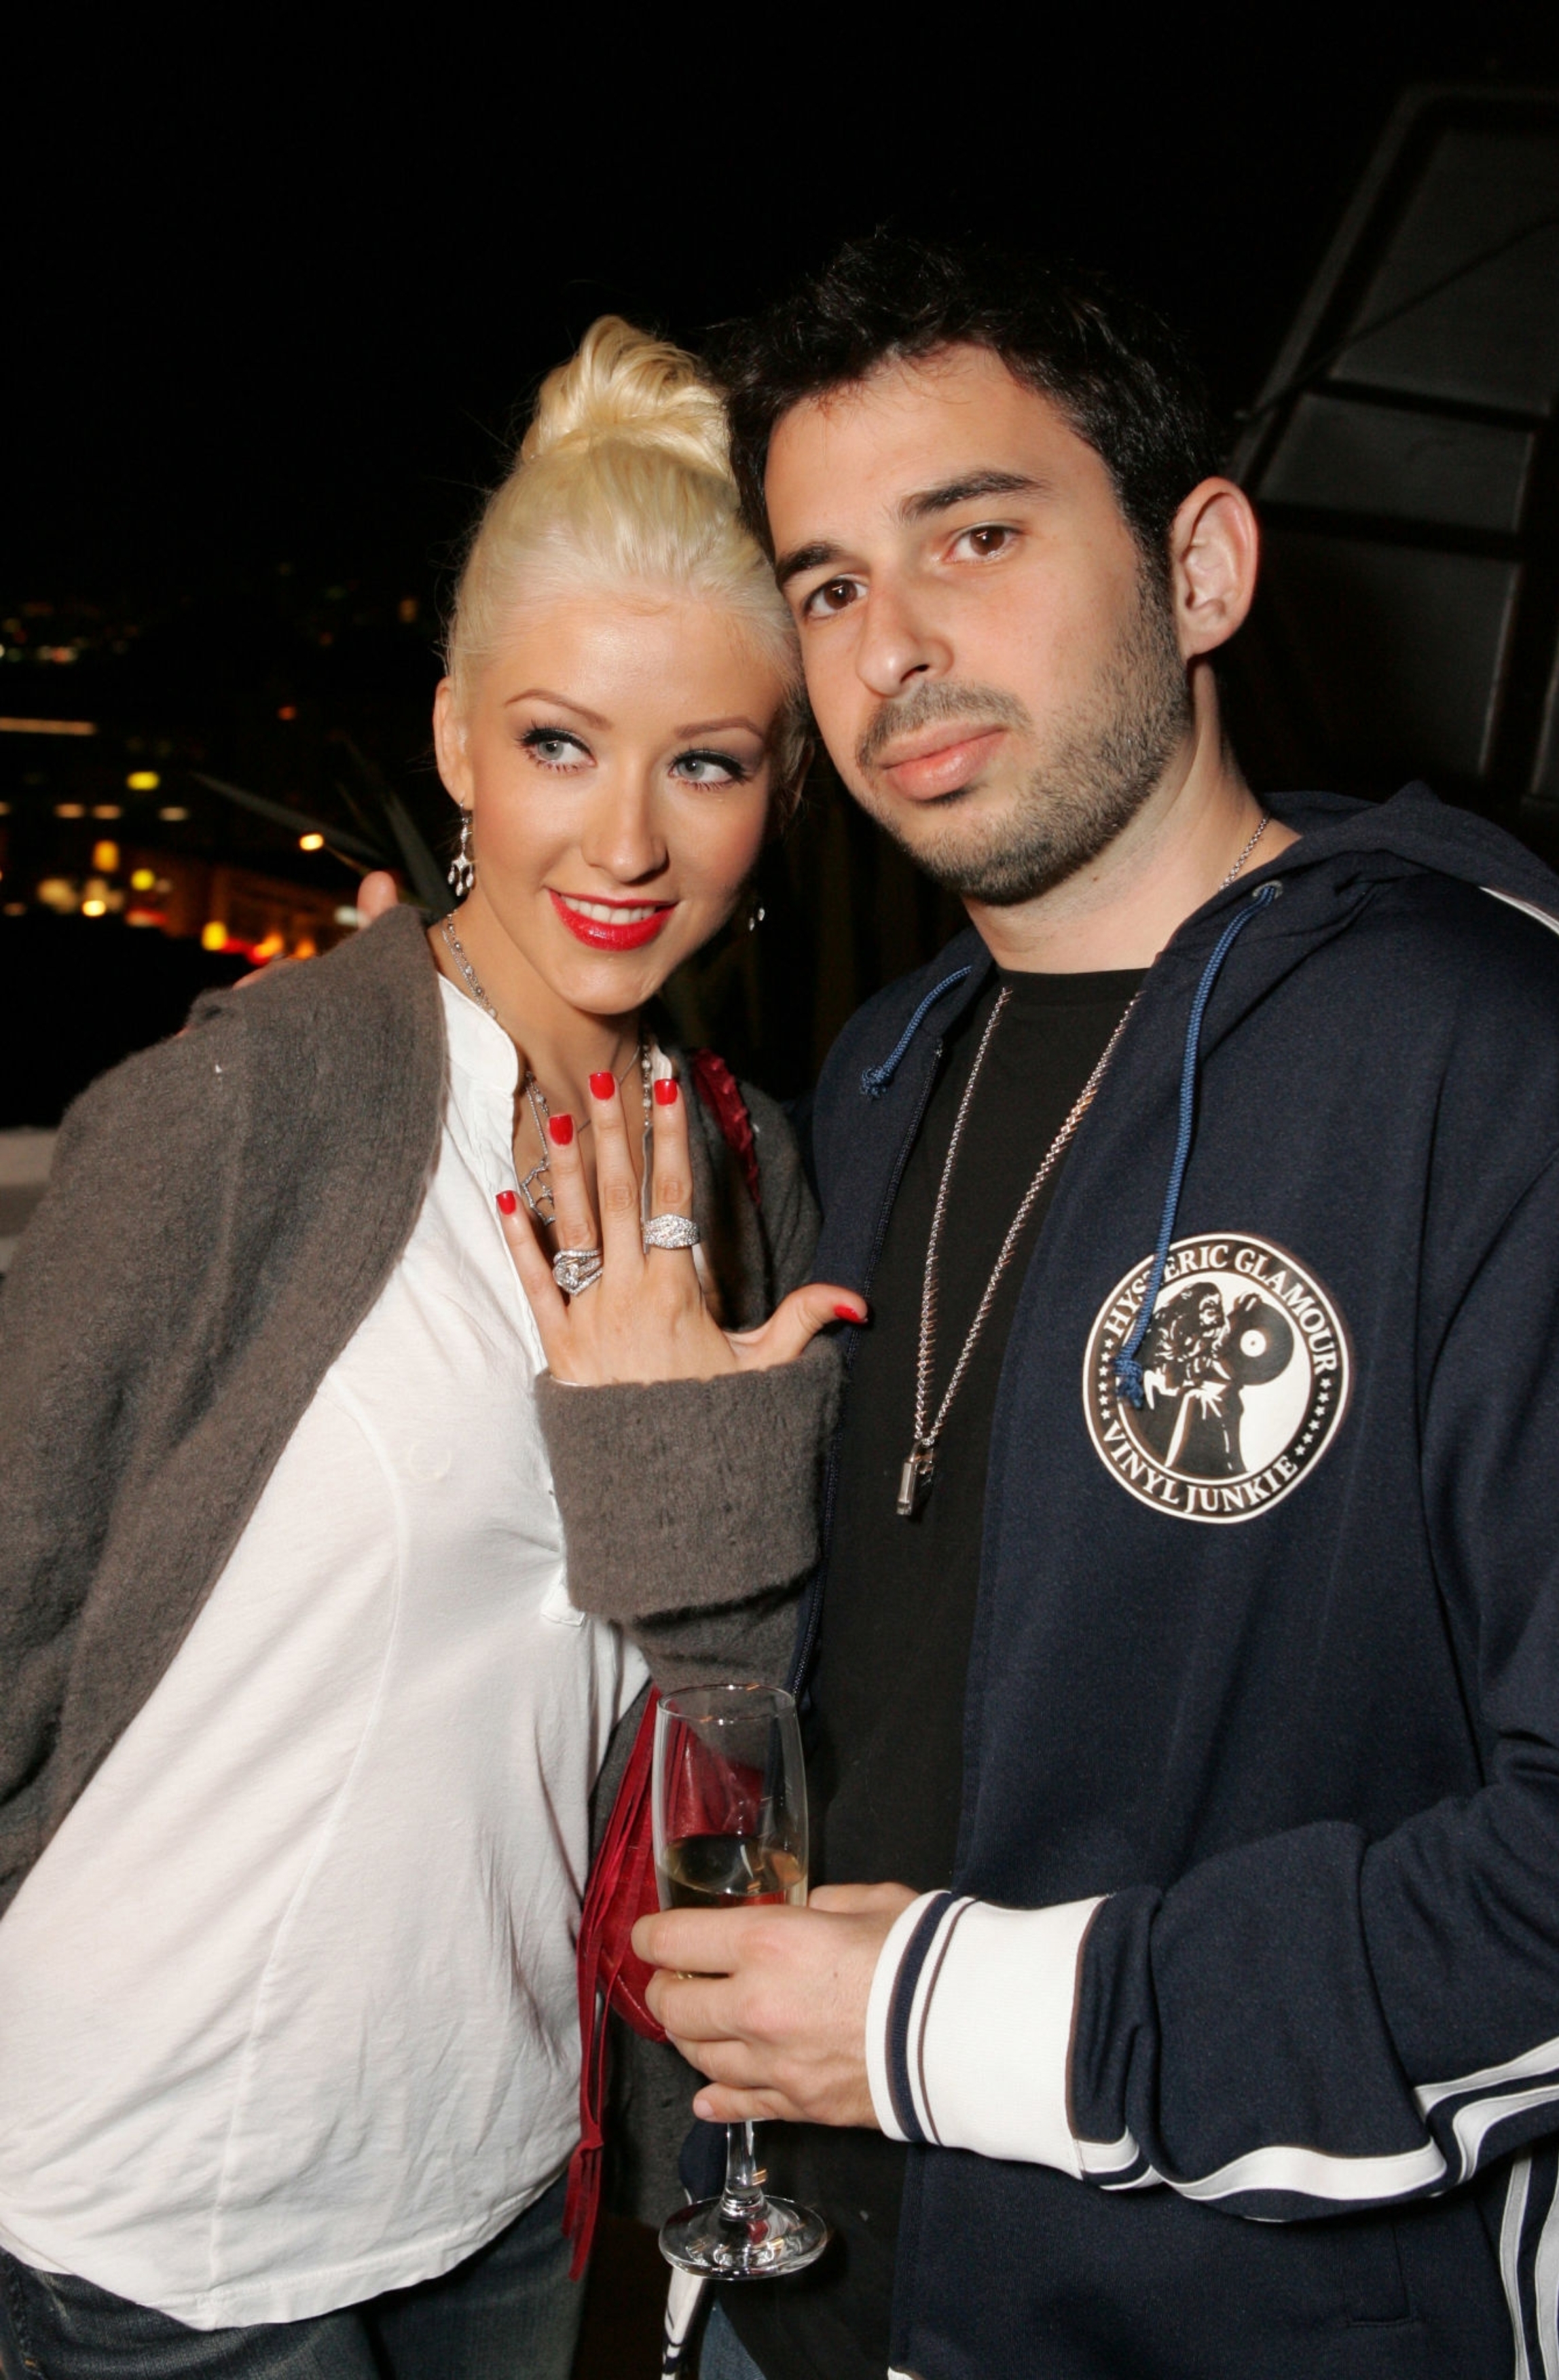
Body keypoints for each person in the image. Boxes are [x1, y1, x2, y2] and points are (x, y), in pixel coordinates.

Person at [536, 237, 1559, 2377]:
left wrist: (958, 2024)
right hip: (790, 2302)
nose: (895, 647)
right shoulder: (884, 1068)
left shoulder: (1487, 1054)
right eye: (830, 584)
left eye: (979, 537)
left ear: (1202, 568)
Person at [0, 317, 851, 2379]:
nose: (627, 843)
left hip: (505, 2166)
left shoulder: (748, 1169)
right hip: (165, 2195)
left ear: (785, 785)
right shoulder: (249, 1112)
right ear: (460, 738)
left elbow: (740, 1710)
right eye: (561, 743)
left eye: (707, 761)